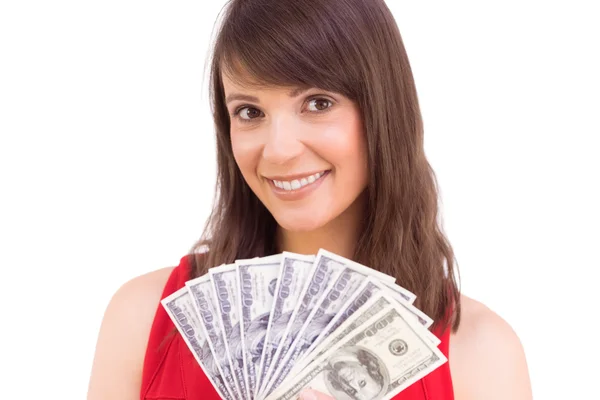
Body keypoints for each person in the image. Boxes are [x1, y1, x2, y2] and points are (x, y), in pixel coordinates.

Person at [86, 0, 533, 399]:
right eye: (250, 112)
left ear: (382, 111)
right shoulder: (144, 319)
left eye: (318, 103)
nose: (278, 149)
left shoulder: (481, 355)